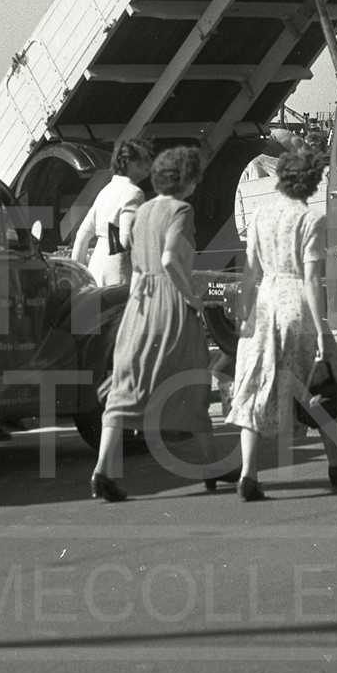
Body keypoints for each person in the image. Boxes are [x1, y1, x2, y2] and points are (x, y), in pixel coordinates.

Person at [90, 146, 236, 501]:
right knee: (191, 383)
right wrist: (192, 298)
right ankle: (211, 465)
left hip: (139, 304)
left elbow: (138, 263)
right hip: (170, 303)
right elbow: (171, 258)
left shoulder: (144, 211)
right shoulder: (180, 210)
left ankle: (103, 471)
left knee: (127, 385)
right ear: (187, 180)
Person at [225, 139, 337, 500]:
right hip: (295, 308)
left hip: (264, 304)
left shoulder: (260, 215)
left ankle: (248, 474)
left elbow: (250, 272)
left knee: (255, 389)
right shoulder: (310, 219)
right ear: (311, 182)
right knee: (320, 389)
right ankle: (336, 462)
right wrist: (321, 330)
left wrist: (243, 315)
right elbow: (308, 280)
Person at [71, 139, 151, 290]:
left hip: (95, 269)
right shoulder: (134, 193)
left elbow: (82, 235)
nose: (149, 165)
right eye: (144, 160)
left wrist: (78, 274)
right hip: (118, 273)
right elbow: (126, 241)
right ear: (128, 162)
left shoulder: (106, 191)